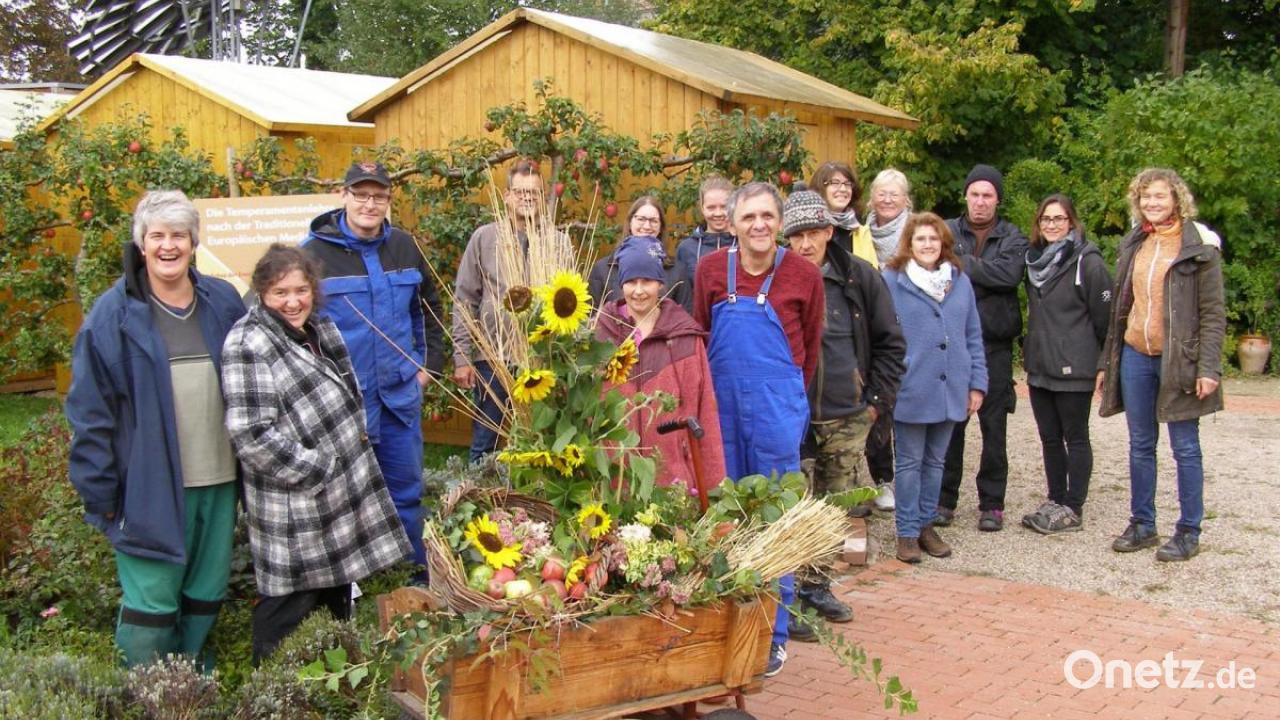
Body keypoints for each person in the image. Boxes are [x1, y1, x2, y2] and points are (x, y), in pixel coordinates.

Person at [66, 190, 246, 667]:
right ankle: (148, 687)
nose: (169, 246)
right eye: (157, 235)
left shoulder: (222, 301)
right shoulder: (113, 315)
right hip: (148, 483)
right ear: (141, 243)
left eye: (179, 235)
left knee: (206, 586)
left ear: (193, 243)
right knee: (153, 595)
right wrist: (99, 492)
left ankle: (189, 673)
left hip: (219, 476)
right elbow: (90, 410)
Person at [222, 245, 411, 662]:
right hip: (297, 504)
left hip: (338, 500)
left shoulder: (320, 329)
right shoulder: (248, 342)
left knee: (335, 595)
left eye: (301, 290)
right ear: (261, 294)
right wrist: (320, 469)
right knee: (289, 604)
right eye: (279, 293)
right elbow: (250, 433)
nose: (293, 301)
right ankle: (271, 694)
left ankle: (334, 684)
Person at [693, 182, 824, 678]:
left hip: (775, 409)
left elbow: (808, 349)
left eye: (768, 215)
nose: (760, 225)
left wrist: (786, 399)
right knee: (722, 515)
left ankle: (773, 636)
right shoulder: (709, 270)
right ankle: (721, 627)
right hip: (722, 408)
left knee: (775, 520)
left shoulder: (804, 275)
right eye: (749, 217)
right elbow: (703, 337)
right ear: (732, 221)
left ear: (780, 219)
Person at [302, 162, 445, 576]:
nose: (369, 203)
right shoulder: (313, 254)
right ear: (342, 195)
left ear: (388, 201)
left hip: (399, 395)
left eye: (378, 196)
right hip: (345, 404)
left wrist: (427, 367)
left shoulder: (403, 246)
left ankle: (412, 580)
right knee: (344, 499)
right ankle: (353, 588)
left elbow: (429, 309)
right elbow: (295, 324)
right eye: (360, 194)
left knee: (406, 494)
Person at [782, 185, 905, 630]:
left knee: (834, 508)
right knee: (792, 507)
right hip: (791, 418)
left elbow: (892, 343)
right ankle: (789, 596)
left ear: (830, 230)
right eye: (796, 235)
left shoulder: (859, 277)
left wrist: (874, 405)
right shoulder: (777, 278)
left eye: (814, 232)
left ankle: (818, 587)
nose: (806, 243)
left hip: (845, 414)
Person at [1098, 168, 1225, 562]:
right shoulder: (1135, 242)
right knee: (1140, 444)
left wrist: (1208, 367)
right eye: (1145, 197)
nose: (1152, 203)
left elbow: (1213, 312)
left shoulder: (1199, 246)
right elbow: (1121, 308)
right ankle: (1143, 524)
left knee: (1185, 447)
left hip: (1180, 359)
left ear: (1176, 200)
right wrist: (1108, 361)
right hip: (1136, 354)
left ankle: (1189, 530)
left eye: (1160, 196)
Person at [882, 213, 987, 563]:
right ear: (909, 244)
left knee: (936, 462)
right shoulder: (893, 280)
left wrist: (977, 384)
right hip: (911, 386)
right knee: (909, 463)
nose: (927, 245)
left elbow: (972, 335)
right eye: (920, 239)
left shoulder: (960, 281)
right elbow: (881, 336)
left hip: (952, 386)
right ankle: (907, 532)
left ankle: (927, 524)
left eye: (933, 239)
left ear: (944, 244)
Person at [938, 164, 1028, 531]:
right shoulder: (945, 229)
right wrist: (980, 270)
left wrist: (958, 264)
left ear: (998, 200)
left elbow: (1008, 276)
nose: (980, 201)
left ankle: (992, 504)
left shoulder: (1013, 236)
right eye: (974, 194)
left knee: (994, 429)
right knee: (951, 425)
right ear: (965, 196)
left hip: (995, 344)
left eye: (987, 195)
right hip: (951, 343)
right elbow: (932, 269)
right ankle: (944, 500)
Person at [594, 243, 725, 491]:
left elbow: (706, 413)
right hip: (614, 485)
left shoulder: (685, 338)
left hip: (672, 484)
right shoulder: (600, 337)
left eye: (648, 281)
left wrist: (715, 492)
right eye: (631, 281)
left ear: (661, 283)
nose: (639, 291)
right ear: (621, 284)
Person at [1020, 195, 1112, 535]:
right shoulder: (1034, 263)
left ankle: (1073, 506)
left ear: (1072, 222)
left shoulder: (1088, 263)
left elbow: (1107, 321)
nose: (1052, 225)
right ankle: (1055, 498)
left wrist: (1103, 363)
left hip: (1076, 366)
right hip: (1041, 365)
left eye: (1059, 219)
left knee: (1075, 437)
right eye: (1046, 219)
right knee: (1048, 439)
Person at [453, 158, 543, 463]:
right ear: (507, 196)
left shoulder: (555, 241)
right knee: (485, 438)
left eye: (534, 193)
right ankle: (476, 502)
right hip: (493, 357)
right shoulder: (484, 238)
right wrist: (462, 357)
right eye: (521, 192)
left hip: (540, 357)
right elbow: (465, 298)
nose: (527, 198)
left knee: (540, 437)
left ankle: (533, 504)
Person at [858, 168, 915, 510]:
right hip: (872, 330)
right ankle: (883, 480)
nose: (888, 199)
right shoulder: (861, 233)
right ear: (872, 198)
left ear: (906, 199)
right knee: (879, 406)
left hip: (909, 329)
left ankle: (912, 478)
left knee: (910, 410)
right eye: (882, 192)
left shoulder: (917, 231)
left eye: (895, 193)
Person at [587, 195, 684, 309]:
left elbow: (686, 316)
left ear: (661, 226)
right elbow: (591, 318)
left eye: (654, 221)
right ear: (630, 222)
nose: (647, 226)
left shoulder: (677, 271)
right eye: (641, 219)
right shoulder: (603, 269)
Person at [673, 176, 735, 314]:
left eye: (724, 207)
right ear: (702, 208)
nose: (718, 213)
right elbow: (681, 296)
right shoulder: (686, 249)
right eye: (711, 207)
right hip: (698, 327)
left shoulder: (745, 245)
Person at [809, 161, 877, 265]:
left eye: (847, 184)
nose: (843, 189)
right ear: (821, 187)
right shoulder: (809, 227)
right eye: (835, 183)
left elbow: (872, 273)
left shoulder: (860, 231)